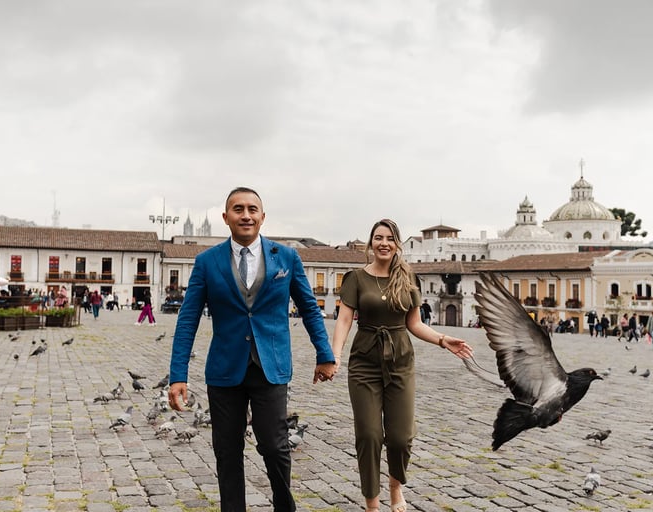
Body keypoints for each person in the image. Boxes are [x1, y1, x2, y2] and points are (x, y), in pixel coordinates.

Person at [167, 187, 336, 512]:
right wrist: (178, 376)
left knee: (274, 447)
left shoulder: (286, 257)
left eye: (252, 209)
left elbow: (309, 308)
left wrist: (324, 353)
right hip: (224, 370)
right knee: (227, 452)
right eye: (238, 209)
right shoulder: (206, 262)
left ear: (262, 216)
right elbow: (187, 320)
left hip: (270, 367)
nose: (246, 215)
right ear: (226, 217)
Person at [330, 219, 473, 512]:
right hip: (364, 362)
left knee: (401, 436)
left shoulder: (408, 279)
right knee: (369, 435)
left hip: (400, 361)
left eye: (390, 238)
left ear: (397, 245)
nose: (384, 243)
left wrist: (443, 339)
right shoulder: (355, 278)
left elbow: (414, 324)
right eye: (378, 238)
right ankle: (372, 503)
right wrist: (335, 355)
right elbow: (344, 320)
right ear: (371, 243)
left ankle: (396, 487)